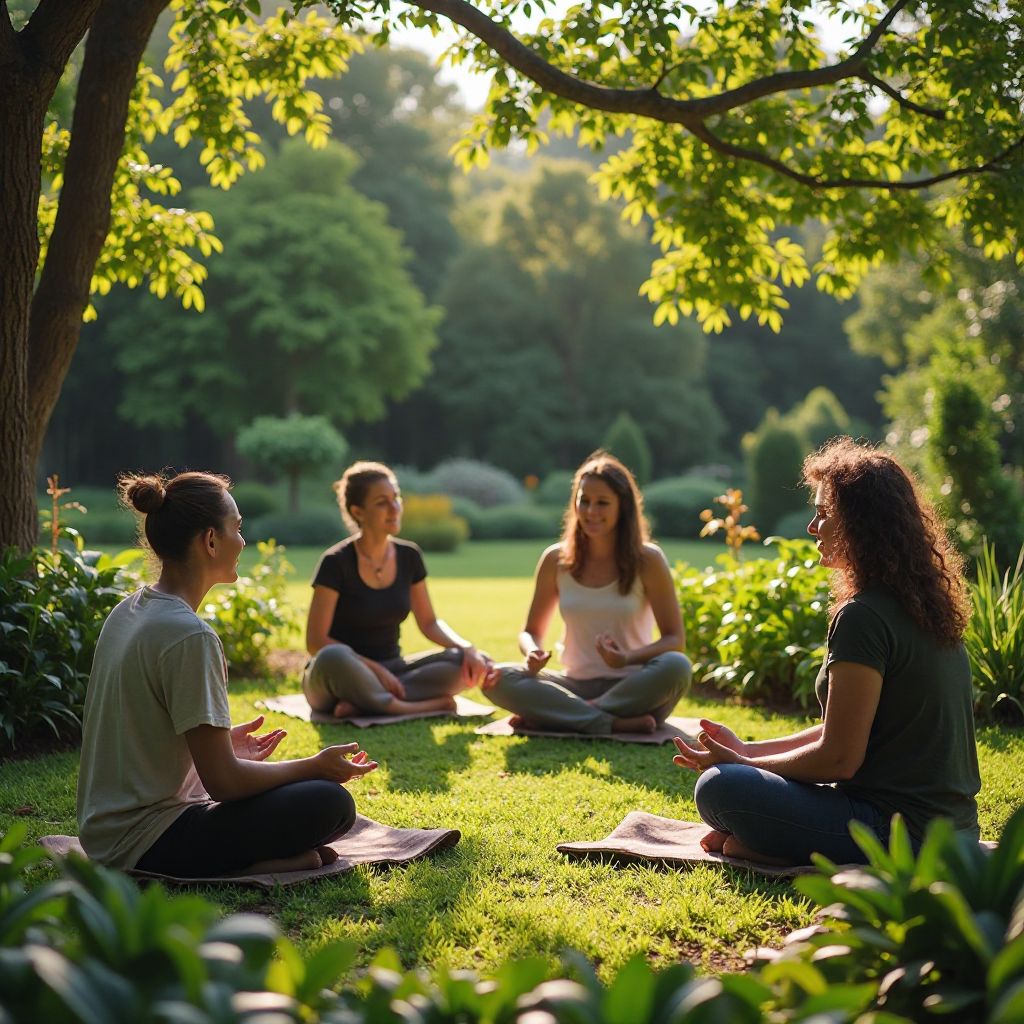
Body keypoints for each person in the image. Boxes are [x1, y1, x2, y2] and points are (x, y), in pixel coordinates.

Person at [673, 437, 980, 865]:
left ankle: (767, 846)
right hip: (956, 832)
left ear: (860, 523)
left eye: (822, 514)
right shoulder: (920, 606)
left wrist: (742, 769)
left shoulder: (863, 616)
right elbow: (841, 732)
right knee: (735, 775)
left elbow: (839, 758)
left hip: (900, 836)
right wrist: (747, 752)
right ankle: (765, 841)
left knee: (720, 787)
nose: (812, 527)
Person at [77, 471, 377, 878]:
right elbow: (225, 784)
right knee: (330, 803)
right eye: (237, 528)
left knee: (305, 796)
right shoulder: (190, 636)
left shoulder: (130, 610)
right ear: (211, 541)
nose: (243, 541)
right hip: (146, 843)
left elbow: (139, 730)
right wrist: (316, 765)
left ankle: (267, 859)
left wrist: (222, 744)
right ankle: (259, 864)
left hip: (102, 835)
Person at [483, 451, 691, 734]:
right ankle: (610, 722)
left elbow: (674, 640)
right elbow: (530, 631)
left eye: (603, 503)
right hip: (573, 685)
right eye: (585, 501)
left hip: (633, 687)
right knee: (497, 678)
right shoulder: (555, 560)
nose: (591, 511)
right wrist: (532, 652)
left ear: (623, 507)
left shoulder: (648, 559)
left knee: (677, 666)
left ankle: (565, 716)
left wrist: (626, 659)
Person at [303, 461, 492, 718]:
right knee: (334, 655)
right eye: (382, 502)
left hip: (394, 669)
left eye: (396, 498)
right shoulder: (335, 562)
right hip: (338, 673)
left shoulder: (409, 556)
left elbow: (429, 623)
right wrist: (374, 670)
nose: (394, 508)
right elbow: (316, 642)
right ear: (358, 512)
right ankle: (409, 706)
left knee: (470, 661)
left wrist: (467, 648)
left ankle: (364, 704)